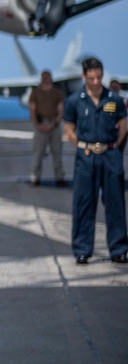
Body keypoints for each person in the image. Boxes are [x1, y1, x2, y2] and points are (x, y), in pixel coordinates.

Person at [63, 57, 127, 265]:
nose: (97, 82)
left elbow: (123, 125)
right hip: (86, 158)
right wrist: (83, 146)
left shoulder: (113, 99)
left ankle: (119, 249)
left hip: (110, 155)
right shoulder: (74, 100)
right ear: (84, 76)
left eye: (99, 77)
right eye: (92, 78)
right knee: (83, 204)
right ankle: (82, 249)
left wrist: (114, 149)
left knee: (116, 204)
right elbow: (69, 129)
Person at [28, 70, 66, 187]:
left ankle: (59, 177)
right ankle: (35, 177)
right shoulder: (35, 93)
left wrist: (55, 123)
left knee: (57, 153)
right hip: (40, 125)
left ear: (51, 78)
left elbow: (60, 109)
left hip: (54, 125)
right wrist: (37, 124)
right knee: (38, 153)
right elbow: (32, 109)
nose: (45, 79)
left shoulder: (57, 93)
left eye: (47, 77)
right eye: (43, 77)